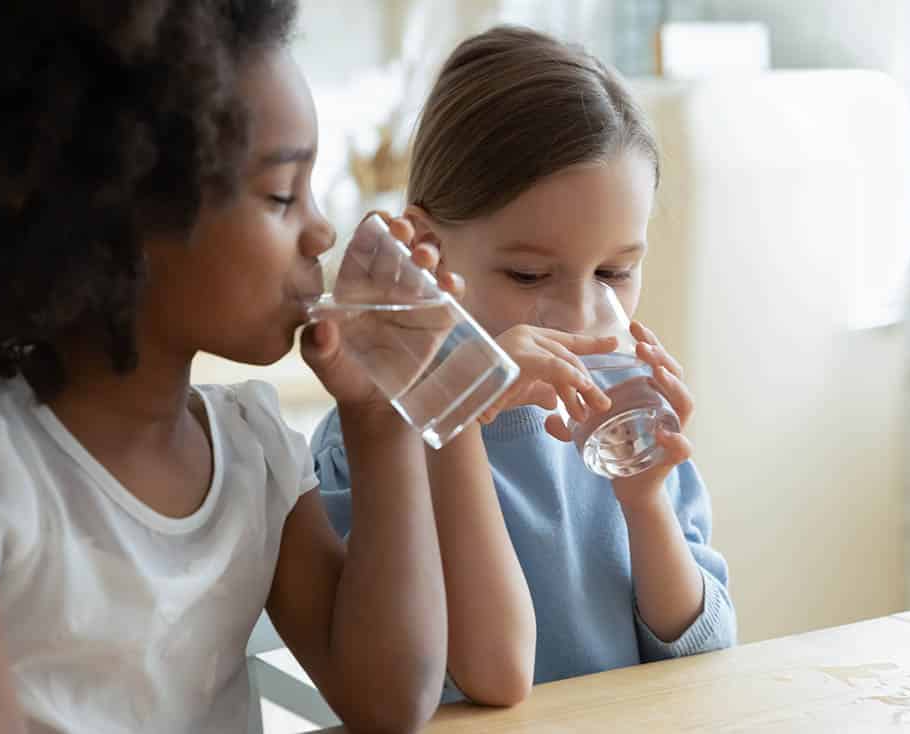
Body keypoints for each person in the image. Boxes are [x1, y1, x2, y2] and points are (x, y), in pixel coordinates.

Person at [0, 2, 450, 732]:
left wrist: (381, 417)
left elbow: (391, 702)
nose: (321, 229)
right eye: (282, 195)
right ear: (117, 219)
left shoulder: (254, 452)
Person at [313, 25, 737, 705]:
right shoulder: (374, 437)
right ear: (427, 249)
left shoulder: (622, 419)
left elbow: (704, 658)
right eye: (530, 273)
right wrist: (455, 400)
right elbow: (484, 677)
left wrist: (646, 503)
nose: (580, 313)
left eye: (615, 270)